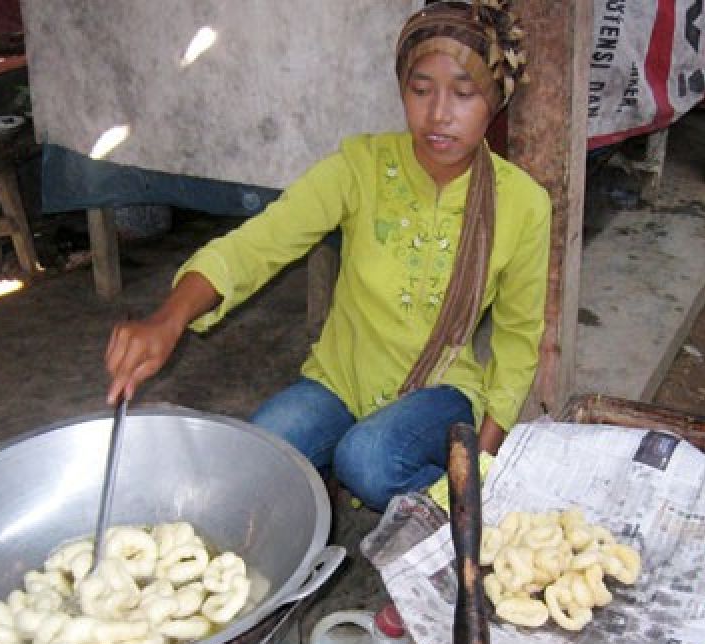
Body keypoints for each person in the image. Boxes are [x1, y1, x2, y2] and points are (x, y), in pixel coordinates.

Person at [105, 0, 551, 511]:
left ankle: (450, 520)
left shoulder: (522, 204)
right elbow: (260, 242)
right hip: (340, 381)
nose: (438, 114)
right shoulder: (361, 166)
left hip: (441, 390)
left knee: (368, 461)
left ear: (495, 100)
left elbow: (517, 344)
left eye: (464, 93)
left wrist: (482, 466)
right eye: (420, 89)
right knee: (260, 452)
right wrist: (170, 317)